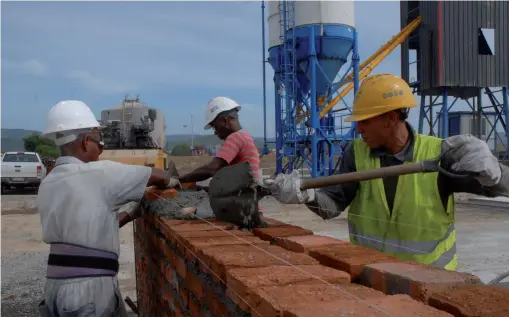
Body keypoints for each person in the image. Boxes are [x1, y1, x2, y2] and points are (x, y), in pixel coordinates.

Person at [265, 74, 509, 271]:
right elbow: (333, 204)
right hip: (372, 277)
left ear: (390, 118)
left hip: (433, 282)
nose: (358, 129)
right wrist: (307, 195)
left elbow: (498, 186)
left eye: (365, 121)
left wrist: (495, 172)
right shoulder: (356, 153)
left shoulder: (438, 155)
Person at [36, 100, 180, 317]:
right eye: (99, 143)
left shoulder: (49, 182)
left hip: (54, 293)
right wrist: (173, 182)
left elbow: (84, 232)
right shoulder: (99, 173)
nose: (102, 150)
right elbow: (155, 175)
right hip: (90, 293)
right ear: (83, 142)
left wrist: (129, 215)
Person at [177, 96, 262, 184]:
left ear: (226, 121)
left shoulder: (235, 138)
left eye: (215, 127)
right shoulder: (245, 136)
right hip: (249, 189)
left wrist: (178, 180)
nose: (215, 132)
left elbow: (211, 169)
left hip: (242, 193)